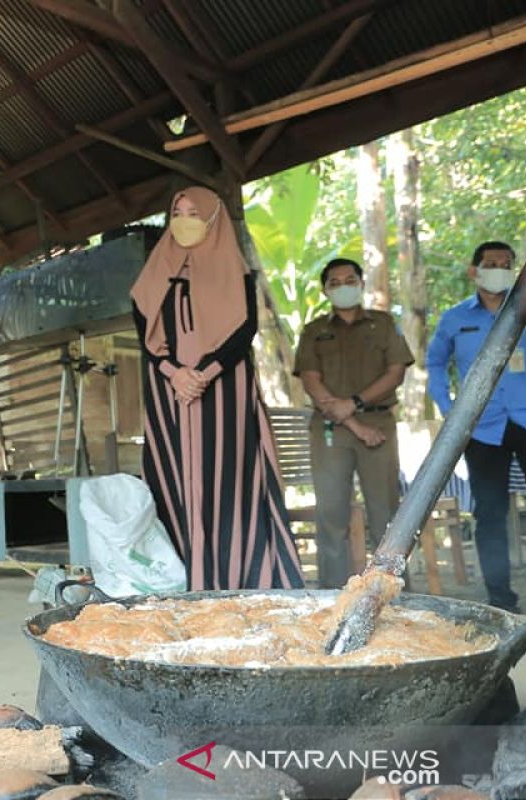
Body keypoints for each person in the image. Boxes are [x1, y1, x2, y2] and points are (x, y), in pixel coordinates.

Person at [130, 186, 304, 590]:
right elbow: (144, 330)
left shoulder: (236, 270)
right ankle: (179, 579)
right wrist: (174, 371)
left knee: (227, 478)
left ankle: (235, 576)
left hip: (224, 390)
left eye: (194, 212)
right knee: (171, 479)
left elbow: (244, 332)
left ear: (212, 218)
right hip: (169, 391)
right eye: (177, 210)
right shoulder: (154, 270)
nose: (184, 219)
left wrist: (203, 373)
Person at [427, 240, 526, 616]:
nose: (499, 268)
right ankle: (500, 599)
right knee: (489, 514)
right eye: (491, 263)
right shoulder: (454, 318)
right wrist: (452, 410)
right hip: (482, 430)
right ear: (474, 271)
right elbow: (434, 364)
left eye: (506, 263)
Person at [294, 258, 413, 588]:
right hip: (331, 431)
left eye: (350, 279)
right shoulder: (315, 331)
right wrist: (351, 419)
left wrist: (356, 404)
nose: (343, 286)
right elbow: (311, 380)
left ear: (361, 284)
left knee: (386, 514)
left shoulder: (383, 324)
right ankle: (334, 595)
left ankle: (396, 594)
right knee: (331, 515)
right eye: (335, 282)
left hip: (378, 425)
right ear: (325, 290)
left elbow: (396, 372)